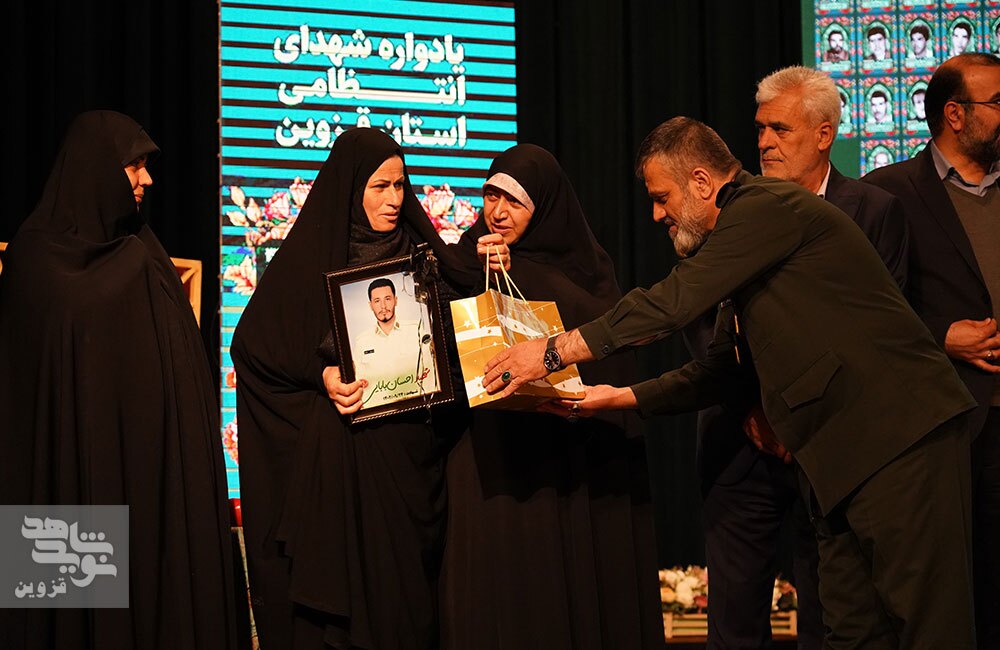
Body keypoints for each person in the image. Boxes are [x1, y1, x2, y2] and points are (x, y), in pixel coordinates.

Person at [487, 117, 978, 649]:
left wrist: (552, 352)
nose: (656, 215)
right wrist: (613, 398)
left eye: (661, 197)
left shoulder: (764, 208)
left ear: (701, 181)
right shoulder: (738, 244)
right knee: (850, 633)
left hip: (899, 442)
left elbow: (670, 304)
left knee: (930, 630)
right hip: (837, 466)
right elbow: (721, 370)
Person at [676, 64, 908, 650]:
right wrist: (753, 408)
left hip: (833, 446)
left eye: (780, 129)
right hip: (741, 442)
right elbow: (699, 317)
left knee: (831, 618)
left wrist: (800, 413)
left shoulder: (875, 210)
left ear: (825, 134)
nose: (763, 142)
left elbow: (879, 333)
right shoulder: (729, 207)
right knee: (735, 625)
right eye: (760, 128)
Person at [231, 127, 489, 650]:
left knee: (407, 610)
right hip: (344, 468)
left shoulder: (424, 257)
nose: (394, 199)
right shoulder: (312, 259)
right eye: (380, 186)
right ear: (351, 189)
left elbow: (461, 330)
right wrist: (322, 375)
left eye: (400, 185)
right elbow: (254, 348)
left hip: (415, 461)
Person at [0, 111, 237, 649]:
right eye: (135, 165)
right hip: (61, 493)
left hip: (139, 477)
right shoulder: (34, 259)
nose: (146, 179)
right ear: (96, 166)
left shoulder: (142, 253)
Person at [439, 144, 663, 650]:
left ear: (543, 205)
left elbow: (607, 339)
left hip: (565, 457)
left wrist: (522, 274)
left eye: (514, 201)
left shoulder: (585, 266)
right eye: (491, 196)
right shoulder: (470, 256)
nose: (498, 212)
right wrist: (478, 268)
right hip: (496, 455)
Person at [864, 52, 1000, 649]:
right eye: (999, 103)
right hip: (948, 425)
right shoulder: (888, 194)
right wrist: (940, 336)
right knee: (953, 598)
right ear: (955, 114)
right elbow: (865, 309)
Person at [351, 277, 438, 409]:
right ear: (370, 305)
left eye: (387, 299)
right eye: (377, 301)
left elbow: (431, 374)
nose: (383, 306)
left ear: (395, 300)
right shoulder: (361, 341)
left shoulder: (417, 330)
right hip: (379, 415)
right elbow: (358, 384)